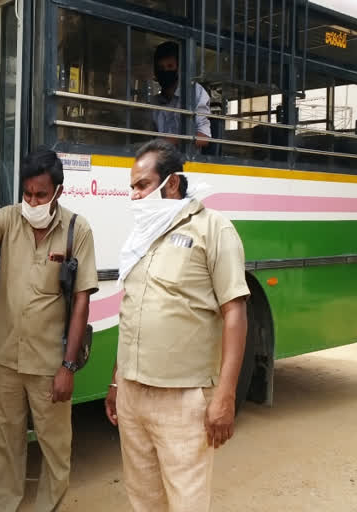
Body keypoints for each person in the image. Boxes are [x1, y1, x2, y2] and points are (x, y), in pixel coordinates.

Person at [0, 148, 98, 511]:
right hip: (8, 361)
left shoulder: (78, 229)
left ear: (58, 192)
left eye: (40, 195)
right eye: (27, 194)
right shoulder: (9, 219)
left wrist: (68, 367)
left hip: (49, 365)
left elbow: (81, 303)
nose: (32, 201)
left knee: (55, 450)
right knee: (6, 447)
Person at [105, 140, 249, 512]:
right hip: (133, 394)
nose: (134, 196)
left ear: (172, 183)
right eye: (132, 187)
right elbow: (132, 310)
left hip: (183, 399)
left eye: (142, 185)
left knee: (186, 502)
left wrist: (226, 397)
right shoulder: (141, 234)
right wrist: (117, 380)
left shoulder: (213, 229)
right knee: (143, 500)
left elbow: (234, 311)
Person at [151, 41, 211, 148]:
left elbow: (204, 138)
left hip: (187, 160)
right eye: (161, 68)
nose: (165, 71)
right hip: (159, 158)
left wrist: (173, 140)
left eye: (170, 66)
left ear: (179, 68)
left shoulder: (194, 92)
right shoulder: (154, 102)